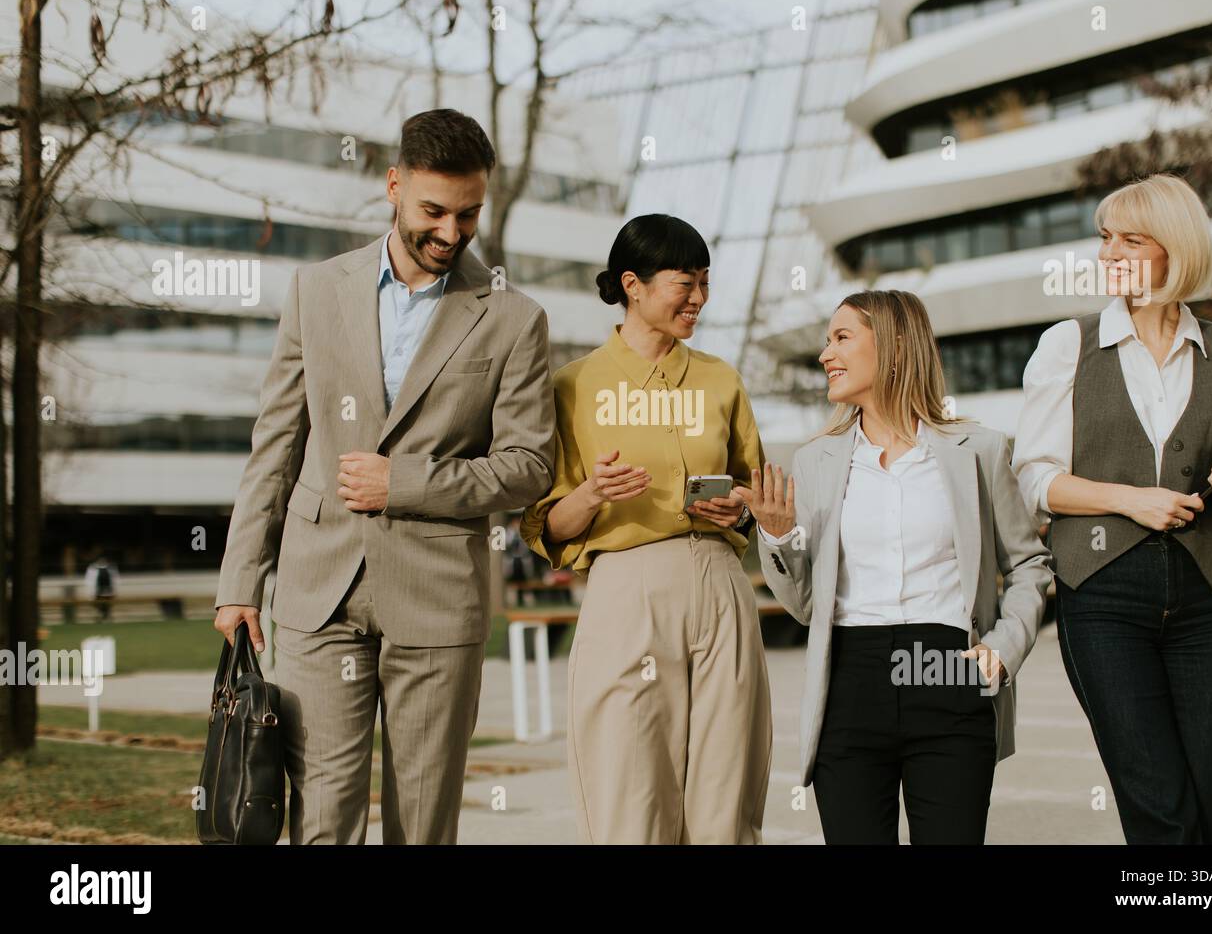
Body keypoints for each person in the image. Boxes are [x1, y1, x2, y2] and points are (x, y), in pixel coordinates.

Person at [213, 109, 555, 844]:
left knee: (422, 823)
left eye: (469, 214)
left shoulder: (514, 318)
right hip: (316, 592)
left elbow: (529, 466)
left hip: (436, 599)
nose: (452, 232)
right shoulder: (316, 290)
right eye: (433, 211)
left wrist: (402, 482)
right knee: (323, 818)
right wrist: (240, 580)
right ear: (394, 186)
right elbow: (274, 443)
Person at [743, 290, 1050, 844]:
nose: (825, 355)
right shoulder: (817, 461)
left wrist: (1002, 653)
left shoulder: (976, 450)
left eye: (841, 338)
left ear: (894, 343)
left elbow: (1029, 564)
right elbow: (805, 603)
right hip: (850, 680)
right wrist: (777, 534)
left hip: (950, 671)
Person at [1012, 172, 1212, 844]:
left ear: (1174, 248)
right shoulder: (1068, 345)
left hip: (1199, 595)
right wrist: (1131, 500)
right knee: (1157, 800)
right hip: (1102, 596)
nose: (1108, 253)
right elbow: (1036, 477)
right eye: (1104, 238)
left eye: (1130, 238)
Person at [520, 214, 772, 844]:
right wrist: (592, 493)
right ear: (632, 284)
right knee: (628, 798)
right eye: (685, 283)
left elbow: (756, 491)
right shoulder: (572, 386)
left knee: (726, 799)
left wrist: (738, 508)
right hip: (625, 590)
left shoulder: (722, 380)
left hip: (720, 586)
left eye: (706, 283)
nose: (699, 299)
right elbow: (546, 525)